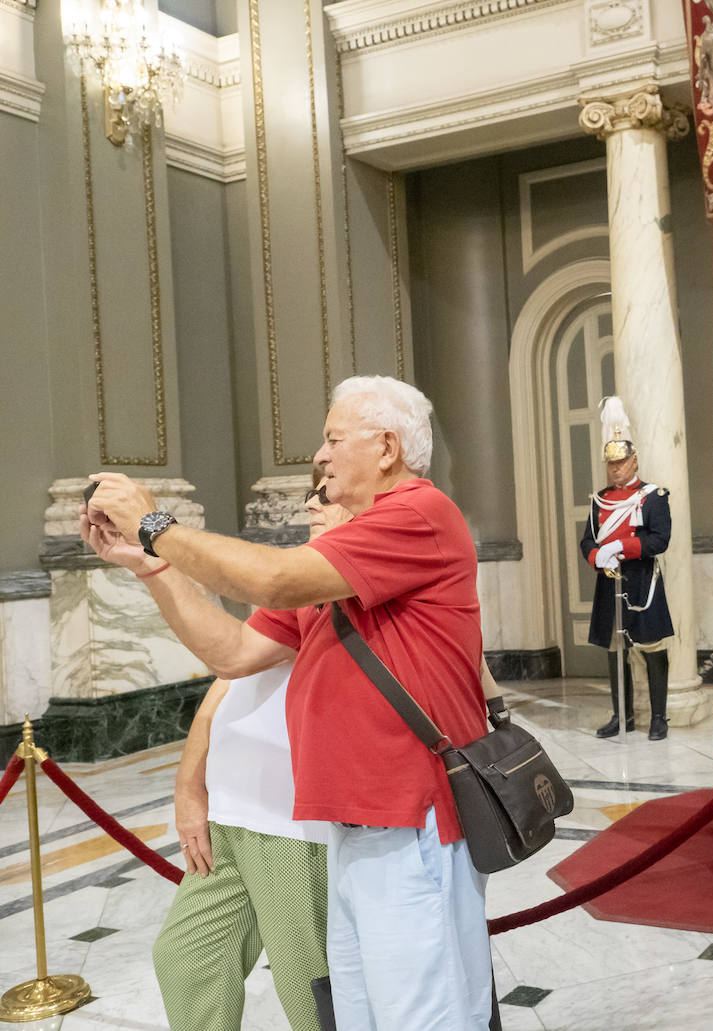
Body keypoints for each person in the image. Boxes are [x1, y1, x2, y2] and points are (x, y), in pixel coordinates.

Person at [82, 375, 493, 1031]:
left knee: (422, 1017)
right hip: (353, 829)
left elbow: (269, 576)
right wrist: (151, 566)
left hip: (412, 825)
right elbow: (233, 653)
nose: (322, 455)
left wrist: (157, 523)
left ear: (386, 447)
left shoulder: (420, 511)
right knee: (361, 1017)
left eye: (333, 438)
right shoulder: (335, 565)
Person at [151, 476, 346, 1031]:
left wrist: (155, 538)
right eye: (312, 490)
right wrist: (191, 789)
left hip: (291, 821)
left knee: (309, 990)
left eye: (327, 494)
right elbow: (228, 677)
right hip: (230, 811)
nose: (311, 502)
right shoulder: (301, 579)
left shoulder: (348, 581)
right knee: (186, 959)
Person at [580, 396, 674, 740]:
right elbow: (587, 541)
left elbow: (659, 540)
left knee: (651, 648)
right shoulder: (598, 500)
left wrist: (623, 547)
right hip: (609, 582)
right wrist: (597, 556)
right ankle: (623, 716)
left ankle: (659, 717)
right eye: (611, 464)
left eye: (621, 463)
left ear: (634, 461)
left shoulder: (654, 497)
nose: (615, 469)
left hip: (642, 582)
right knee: (616, 650)